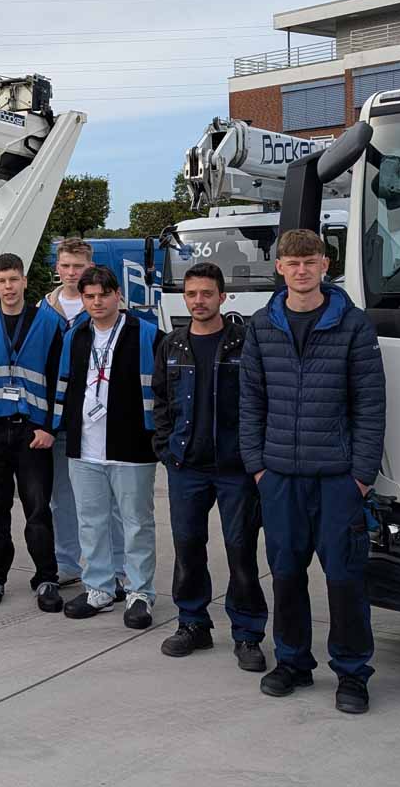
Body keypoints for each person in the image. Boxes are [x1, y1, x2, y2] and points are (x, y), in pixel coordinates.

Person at [240, 229, 385, 714]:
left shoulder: (353, 324)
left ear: (325, 265)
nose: (301, 271)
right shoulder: (263, 326)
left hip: (338, 478)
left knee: (344, 578)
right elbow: (251, 403)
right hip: (280, 477)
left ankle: (351, 672)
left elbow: (370, 404)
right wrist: (258, 467)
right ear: (279, 268)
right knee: (285, 573)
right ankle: (294, 662)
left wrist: (361, 474)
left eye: (311, 262)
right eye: (292, 263)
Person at [151, 262, 267, 671]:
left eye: (206, 294)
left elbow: (259, 401)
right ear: (185, 297)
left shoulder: (244, 342)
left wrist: (254, 458)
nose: (199, 301)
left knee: (241, 551)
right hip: (186, 468)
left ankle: (248, 634)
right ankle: (192, 624)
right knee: (187, 548)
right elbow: (161, 401)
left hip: (236, 469)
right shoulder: (172, 345)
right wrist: (166, 449)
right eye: (192, 294)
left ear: (222, 296)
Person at [55, 266, 163, 629]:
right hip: (84, 446)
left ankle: (139, 592)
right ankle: (99, 586)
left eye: (103, 294)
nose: (96, 302)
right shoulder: (76, 334)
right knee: (91, 522)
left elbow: (162, 391)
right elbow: (65, 385)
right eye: (89, 296)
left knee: (136, 523)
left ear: (118, 295)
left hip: (132, 443)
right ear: (82, 299)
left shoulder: (146, 334)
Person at [0, 254, 63, 612]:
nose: (8, 286)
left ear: (25, 282)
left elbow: (57, 381)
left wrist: (50, 427)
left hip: (32, 434)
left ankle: (47, 577)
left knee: (38, 510)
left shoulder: (49, 323)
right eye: (2, 280)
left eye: (14, 279)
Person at [44, 238, 125, 592]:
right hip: (61, 419)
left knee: (112, 503)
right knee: (62, 497)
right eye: (65, 265)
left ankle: (119, 567)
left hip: (105, 420)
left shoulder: (107, 308)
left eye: (78, 266)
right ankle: (66, 561)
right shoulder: (43, 309)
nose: (72, 273)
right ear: (57, 268)